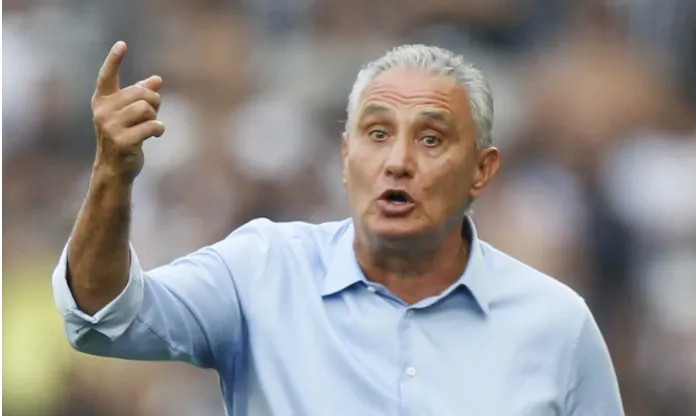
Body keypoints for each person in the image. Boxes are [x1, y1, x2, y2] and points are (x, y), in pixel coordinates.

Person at [52, 41, 624, 415]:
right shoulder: (263, 269)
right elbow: (102, 317)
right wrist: (111, 177)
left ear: (482, 169)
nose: (397, 161)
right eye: (377, 135)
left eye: (430, 139)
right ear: (345, 156)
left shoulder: (557, 325)